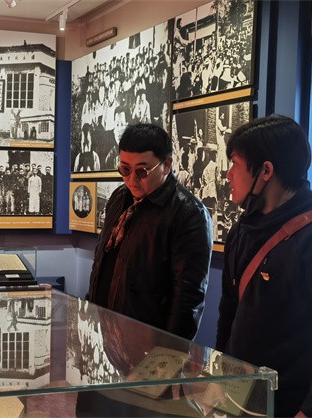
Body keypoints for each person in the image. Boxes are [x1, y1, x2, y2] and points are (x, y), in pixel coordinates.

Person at [215, 115, 312, 417]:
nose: (228, 173)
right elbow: (229, 311)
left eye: (235, 163)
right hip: (244, 398)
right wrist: (222, 379)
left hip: (298, 405)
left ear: (265, 171)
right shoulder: (241, 232)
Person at [78, 123, 213, 416]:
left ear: (167, 164)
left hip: (149, 348)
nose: (131, 179)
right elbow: (103, 262)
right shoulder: (120, 198)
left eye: (141, 171)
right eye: (124, 169)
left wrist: (165, 362)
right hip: (109, 338)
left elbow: (188, 297)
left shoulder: (188, 213)